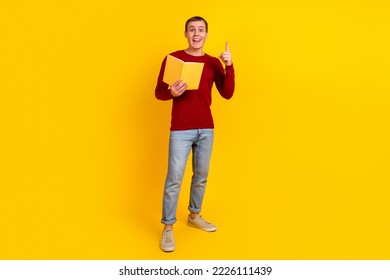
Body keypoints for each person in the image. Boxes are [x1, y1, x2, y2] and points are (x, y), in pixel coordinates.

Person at [155, 16, 235, 252]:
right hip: (180, 128)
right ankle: (168, 228)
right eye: (192, 29)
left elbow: (227, 93)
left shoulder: (212, 63)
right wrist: (172, 91)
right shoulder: (174, 59)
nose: (196, 33)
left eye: (201, 30)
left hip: (206, 128)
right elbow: (159, 93)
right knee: (174, 179)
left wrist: (229, 66)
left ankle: (194, 215)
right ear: (186, 34)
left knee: (201, 175)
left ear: (207, 35)